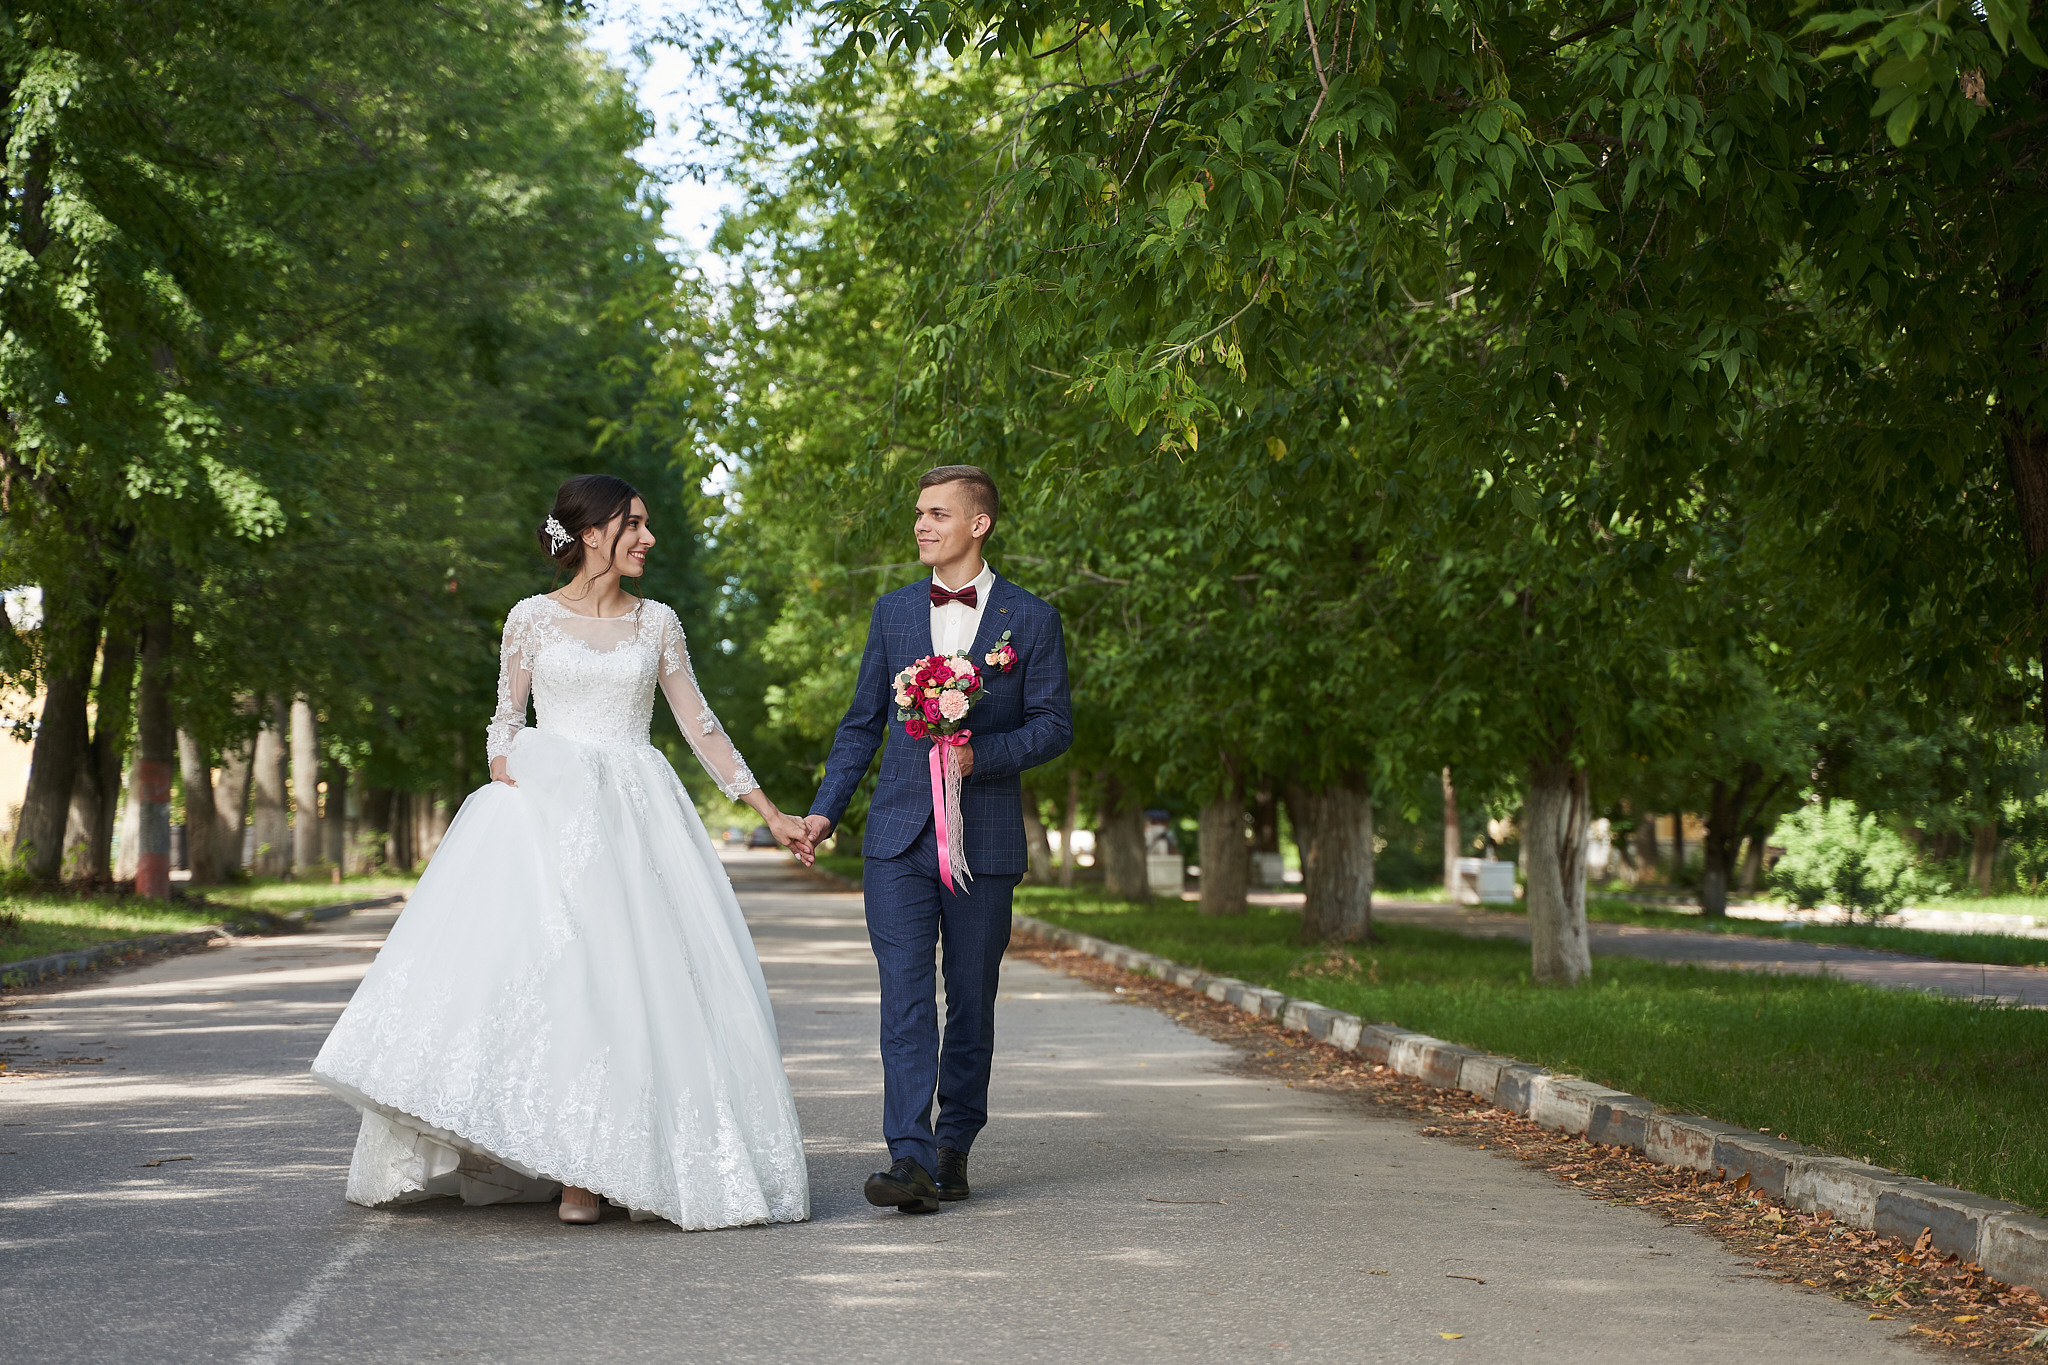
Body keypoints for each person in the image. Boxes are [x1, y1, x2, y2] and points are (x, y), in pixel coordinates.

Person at [312, 474, 814, 1229]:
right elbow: (503, 729)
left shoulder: (658, 624)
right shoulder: (530, 620)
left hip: (640, 817)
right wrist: (534, 782)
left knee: (634, 985)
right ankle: (575, 1163)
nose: (648, 538)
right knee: (563, 985)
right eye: (633, 524)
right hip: (549, 815)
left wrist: (770, 812)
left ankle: (607, 1167)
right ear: (590, 534)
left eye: (645, 525)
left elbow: (700, 724)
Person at [804, 465, 1072, 1213]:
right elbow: (861, 724)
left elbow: (1053, 725)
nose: (921, 525)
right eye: (918, 513)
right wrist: (826, 811)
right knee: (905, 998)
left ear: (978, 523)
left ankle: (954, 1143)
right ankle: (908, 1156)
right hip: (897, 837)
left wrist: (980, 756)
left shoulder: (1031, 619)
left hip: (981, 838)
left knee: (972, 1000)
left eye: (937, 513)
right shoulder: (892, 613)